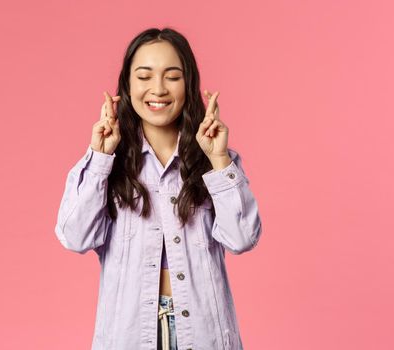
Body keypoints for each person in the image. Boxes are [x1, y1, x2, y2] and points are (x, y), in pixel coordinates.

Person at [54, 27, 263, 350]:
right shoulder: (108, 162)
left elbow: (242, 239)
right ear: (127, 85)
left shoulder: (214, 159)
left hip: (204, 335)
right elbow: (75, 237)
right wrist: (99, 157)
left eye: (172, 76)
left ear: (188, 84)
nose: (158, 89)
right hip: (129, 336)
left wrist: (219, 159)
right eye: (144, 76)